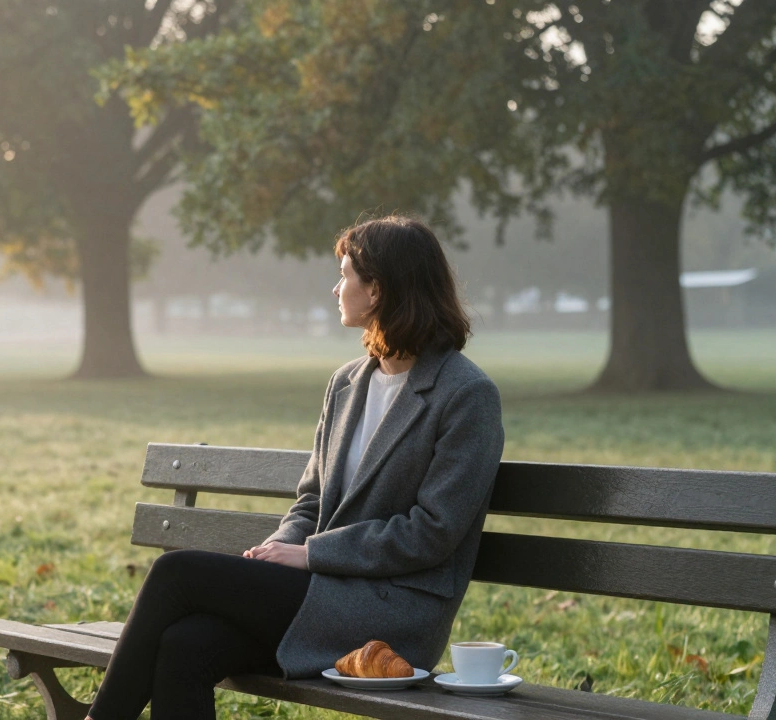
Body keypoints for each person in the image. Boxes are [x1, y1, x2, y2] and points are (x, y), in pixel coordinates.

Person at [85, 215, 505, 720]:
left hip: (394, 611)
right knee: (186, 644)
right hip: (325, 594)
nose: (335, 287)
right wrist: (280, 548)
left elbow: (433, 532)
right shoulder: (348, 383)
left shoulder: (465, 395)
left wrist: (310, 554)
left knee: (176, 571)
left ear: (377, 290)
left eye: (346, 274)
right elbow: (311, 498)